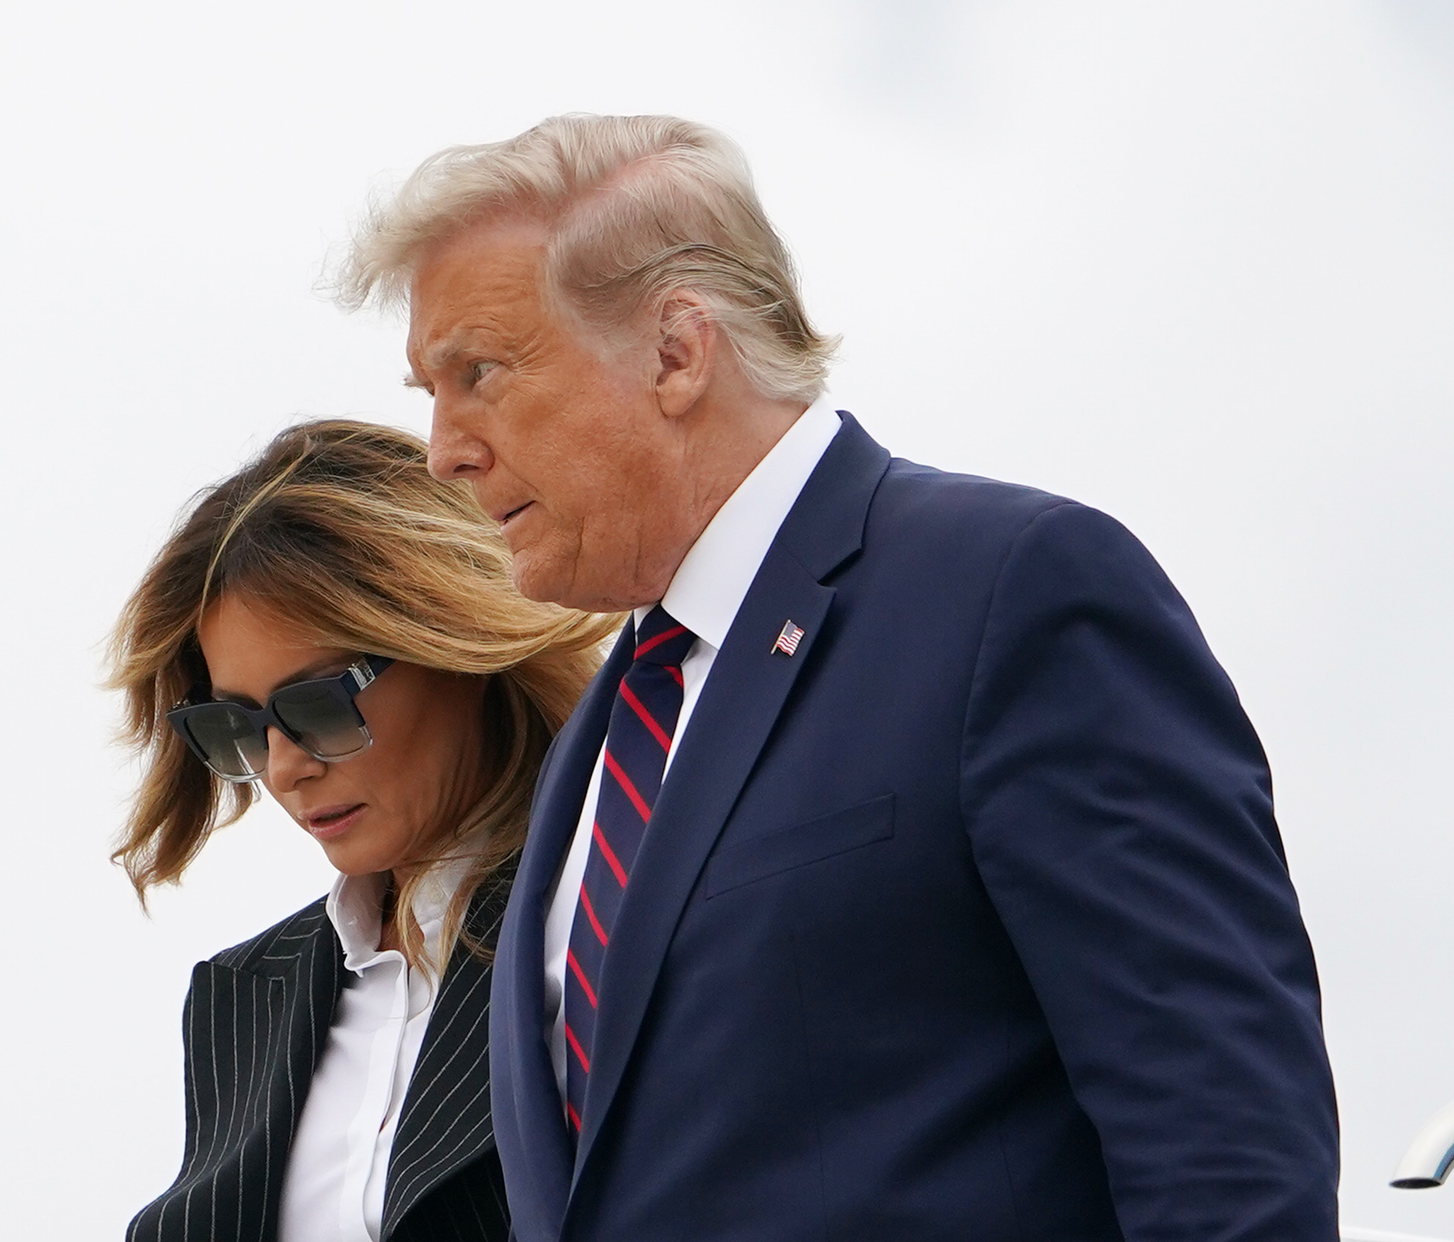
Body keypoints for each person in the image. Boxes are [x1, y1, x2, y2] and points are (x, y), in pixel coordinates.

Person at [335, 115, 1340, 1240]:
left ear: (675, 350)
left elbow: (1221, 1143)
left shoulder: (1011, 591)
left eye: (477, 373)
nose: (442, 449)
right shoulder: (601, 737)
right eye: (428, 390)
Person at [109, 419, 614, 1242]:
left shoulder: (606, 920)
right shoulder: (242, 996)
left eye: (316, 704)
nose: (283, 769)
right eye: (237, 728)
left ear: (455, 644)